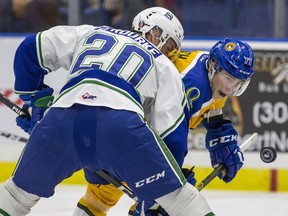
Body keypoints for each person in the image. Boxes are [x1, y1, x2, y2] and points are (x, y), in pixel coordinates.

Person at [0, 6, 215, 216]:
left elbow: (31, 47)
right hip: (121, 124)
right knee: (181, 199)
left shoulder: (90, 32)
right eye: (169, 46)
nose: (169, 54)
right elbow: (171, 136)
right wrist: (163, 187)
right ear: (155, 33)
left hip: (62, 117)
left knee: (16, 195)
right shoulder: (164, 65)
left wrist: (36, 99)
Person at [73, 37, 255, 216]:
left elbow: (210, 109)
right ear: (213, 66)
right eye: (230, 79)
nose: (232, 89)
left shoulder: (209, 71)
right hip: (122, 133)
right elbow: (166, 135)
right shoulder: (192, 87)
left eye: (240, 83)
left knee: (101, 197)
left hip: (111, 125)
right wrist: (165, 185)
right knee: (154, 202)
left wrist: (219, 131)